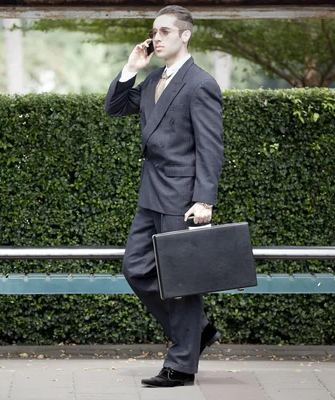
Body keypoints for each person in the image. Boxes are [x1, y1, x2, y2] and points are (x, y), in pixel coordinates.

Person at [104, 5, 224, 387]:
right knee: (135, 269)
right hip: (151, 192)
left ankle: (182, 365)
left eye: (165, 32)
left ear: (185, 35)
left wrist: (204, 200)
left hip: (181, 196)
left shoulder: (200, 83)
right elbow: (115, 107)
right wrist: (131, 68)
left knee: (182, 281)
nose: (156, 37)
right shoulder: (156, 77)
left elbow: (211, 146)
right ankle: (198, 332)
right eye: (154, 31)